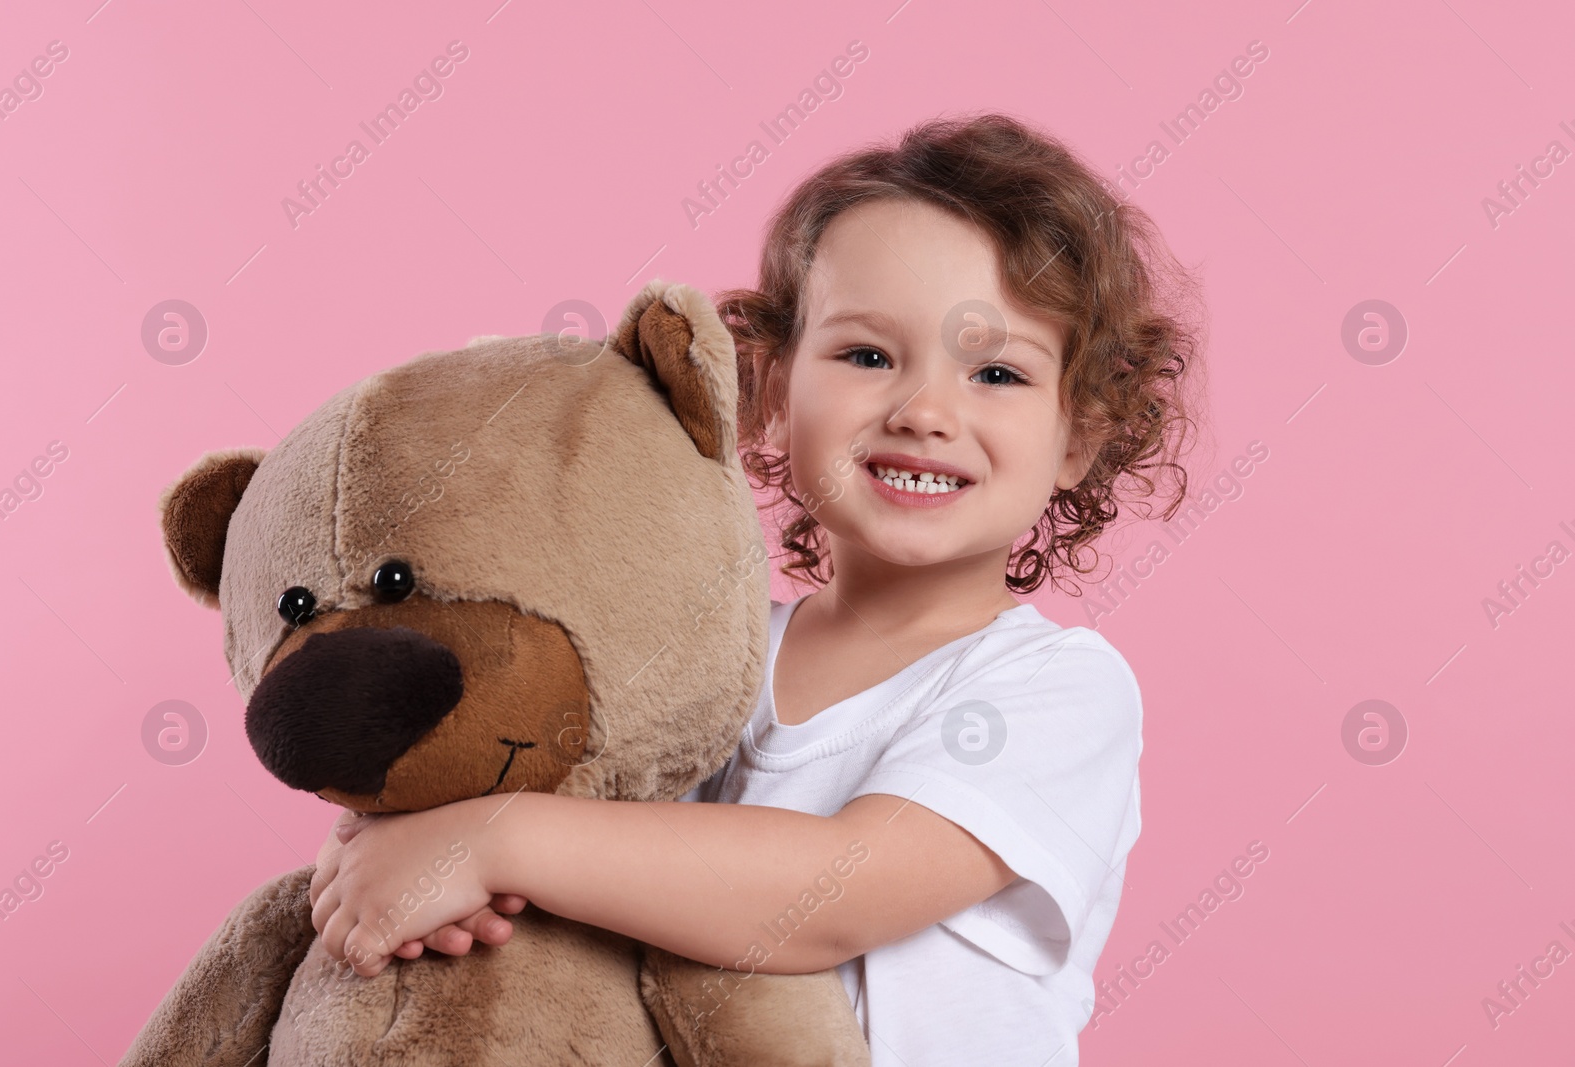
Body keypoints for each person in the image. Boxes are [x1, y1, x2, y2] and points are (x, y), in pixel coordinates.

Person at [309, 110, 1205, 1065]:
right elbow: (568, 822)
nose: (927, 411)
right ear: (772, 390)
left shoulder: (1058, 688)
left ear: (1080, 437)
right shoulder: (691, 659)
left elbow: (831, 897)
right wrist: (404, 862)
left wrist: (494, 840)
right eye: (867, 355)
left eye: (996, 372)